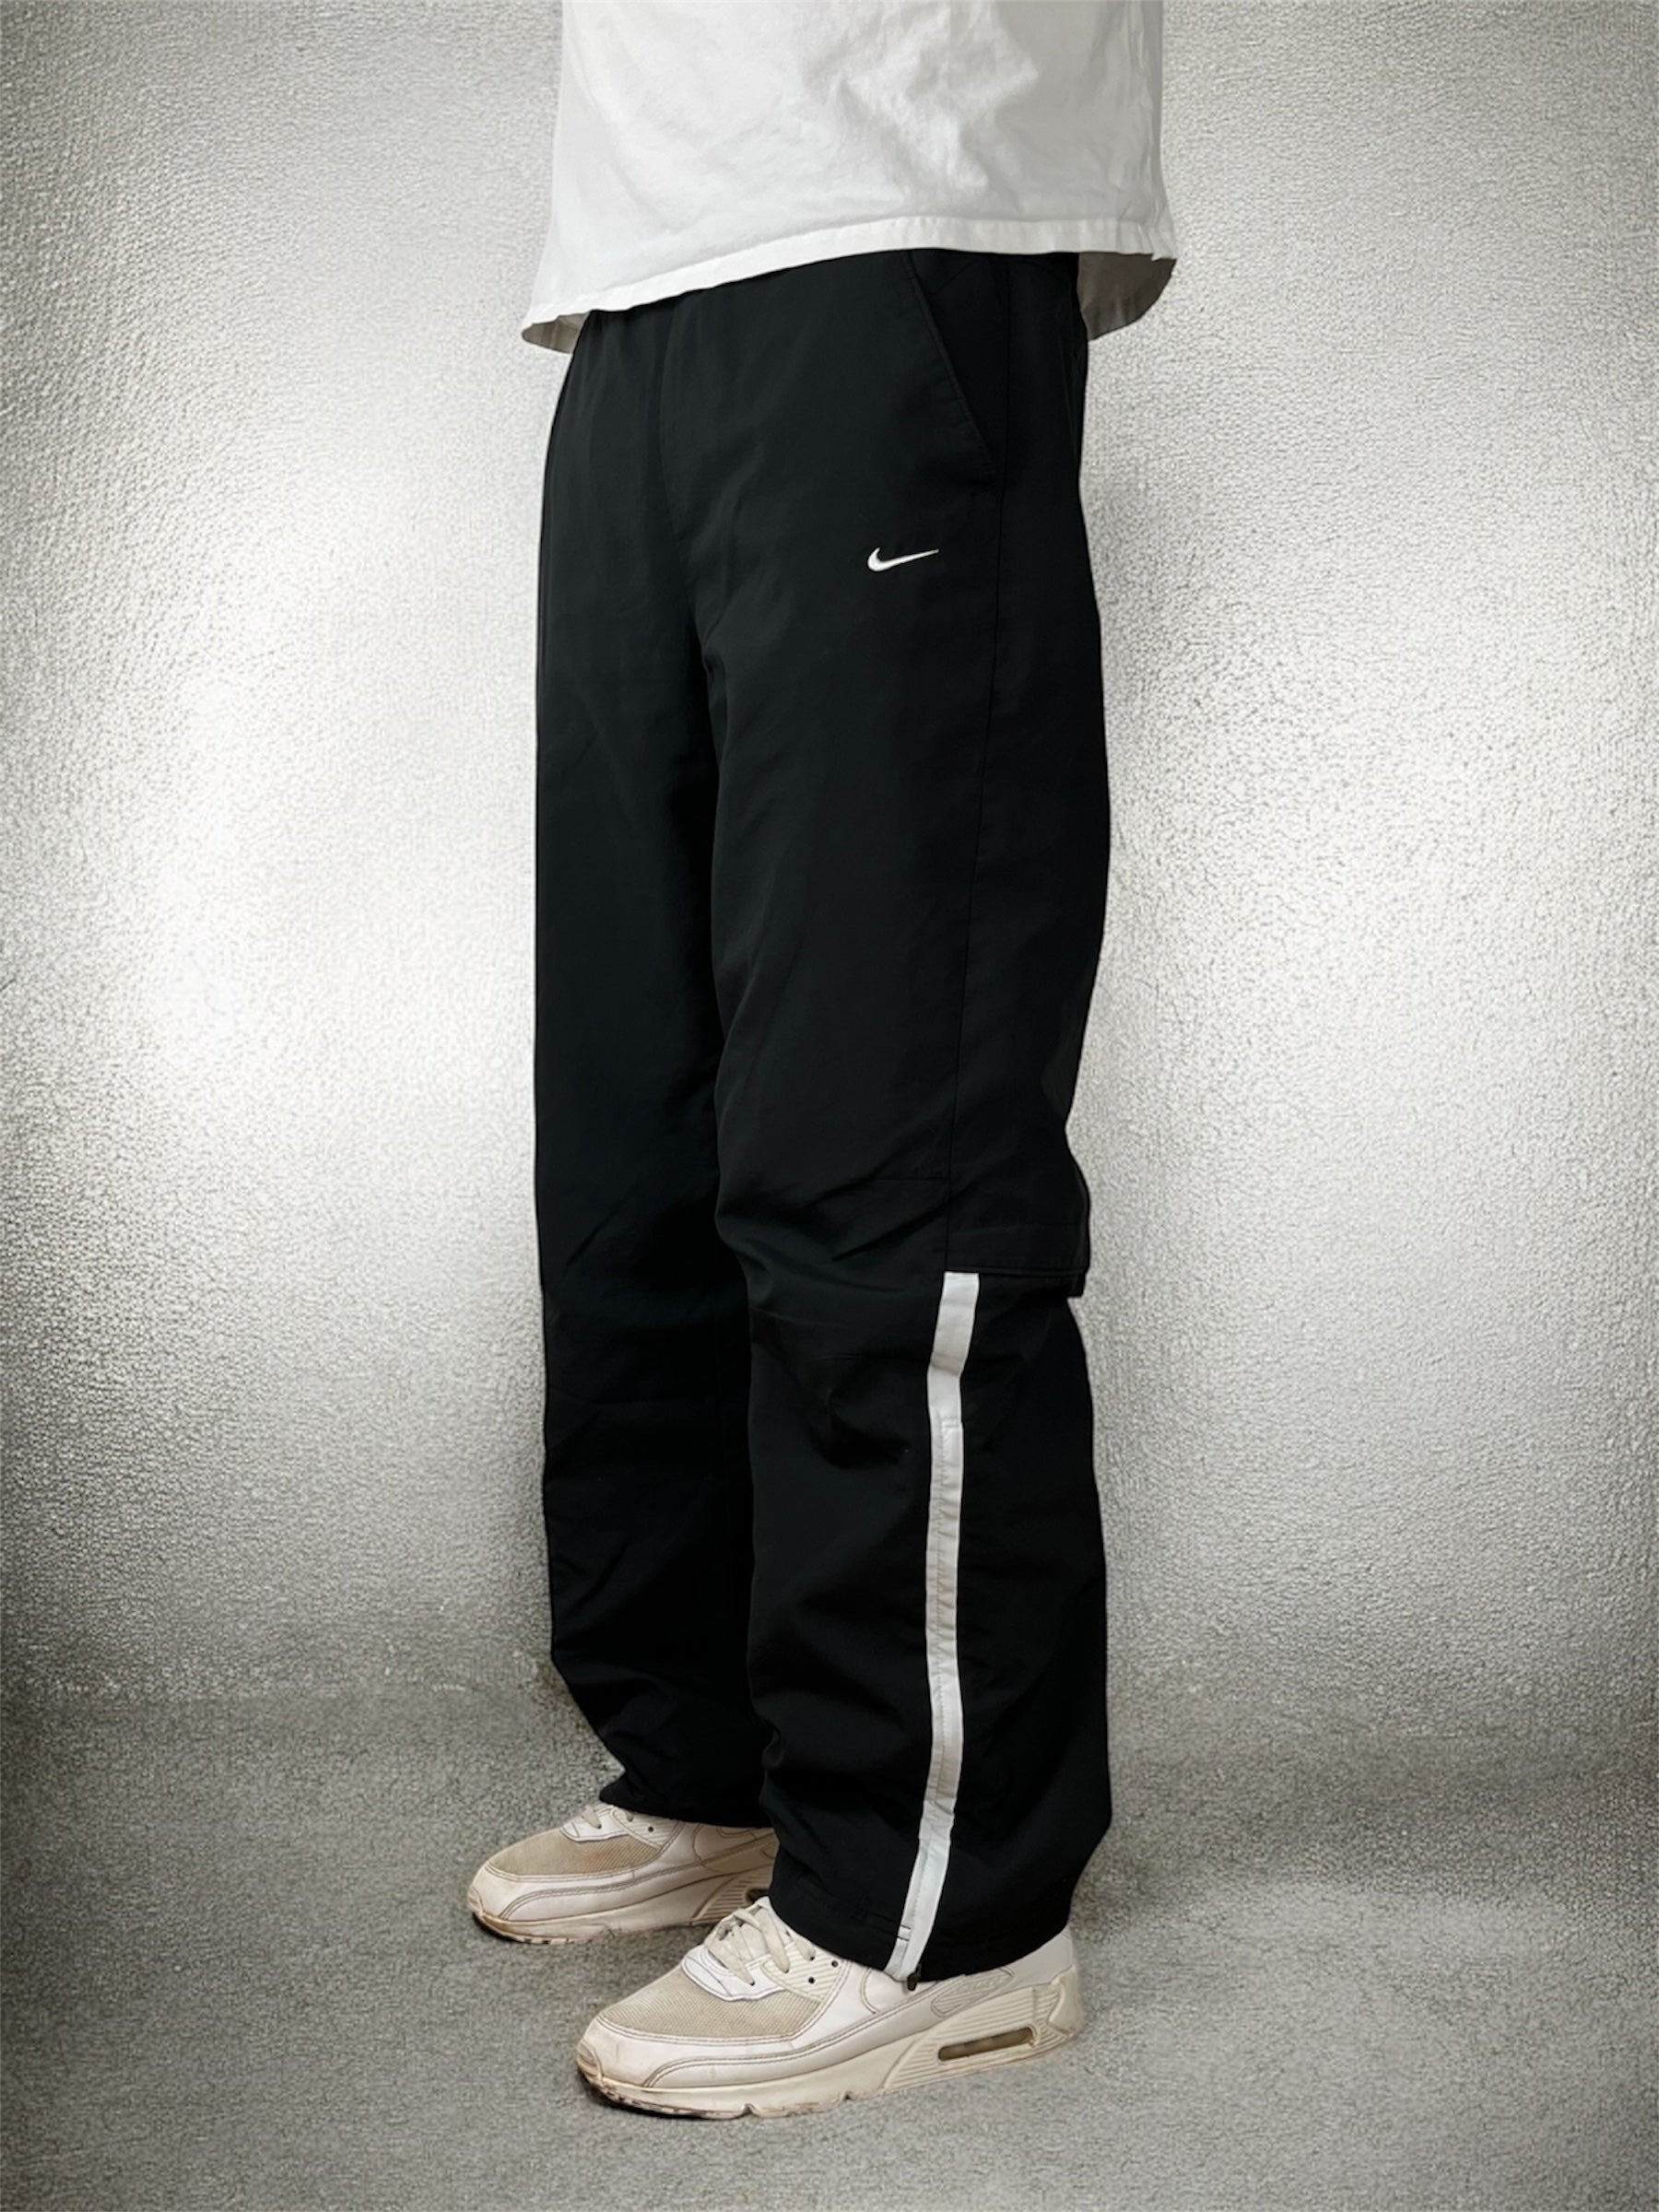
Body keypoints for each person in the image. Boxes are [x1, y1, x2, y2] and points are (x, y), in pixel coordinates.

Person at [468, 0, 1178, 2118]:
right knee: (640, 1123)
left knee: (886, 1104)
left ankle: (943, 1907)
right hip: (631, 280)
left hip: (899, 202)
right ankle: (720, 1766)